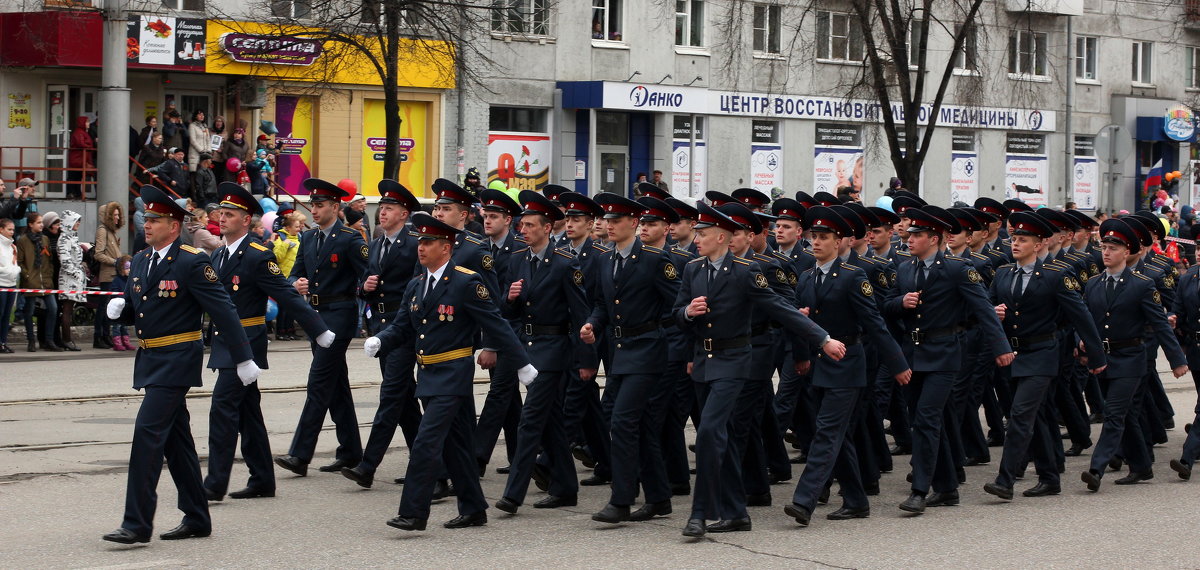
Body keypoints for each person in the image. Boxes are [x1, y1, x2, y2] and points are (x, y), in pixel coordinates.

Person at [100, 186, 260, 545]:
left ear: (174, 226)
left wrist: (243, 357)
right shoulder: (141, 260)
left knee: (146, 435)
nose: (148, 224)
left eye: (155, 220)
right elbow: (140, 306)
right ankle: (197, 516)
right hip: (150, 358)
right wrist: (120, 310)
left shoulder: (191, 261)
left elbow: (224, 311)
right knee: (177, 443)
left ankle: (137, 523)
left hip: (177, 360)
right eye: (148, 219)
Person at [675, 203, 842, 538]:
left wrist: (821, 338)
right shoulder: (693, 269)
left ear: (720, 236)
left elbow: (781, 308)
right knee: (719, 437)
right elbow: (676, 313)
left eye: (703, 234)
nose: (697, 239)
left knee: (709, 432)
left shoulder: (745, 271)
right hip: (704, 363)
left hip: (735, 361)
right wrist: (688, 313)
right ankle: (736, 513)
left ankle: (700, 513)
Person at [364, 213, 536, 532]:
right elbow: (402, 325)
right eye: (420, 241)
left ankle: (413, 512)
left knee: (427, 443)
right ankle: (473, 508)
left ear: (447, 247)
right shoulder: (417, 285)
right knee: (457, 445)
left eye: (429, 242)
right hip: (428, 375)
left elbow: (495, 324)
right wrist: (380, 340)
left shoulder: (465, 281)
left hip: (452, 375)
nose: (421, 247)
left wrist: (522, 363)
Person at [203, 183, 334, 502]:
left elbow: (287, 294)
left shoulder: (257, 255)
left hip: (246, 344)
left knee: (222, 411)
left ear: (246, 220)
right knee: (248, 414)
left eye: (230, 214)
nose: (222, 218)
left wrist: (318, 329)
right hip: (225, 342)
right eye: (221, 213)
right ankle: (262, 478)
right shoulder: (220, 253)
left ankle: (214, 483)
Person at [784, 206, 910, 527]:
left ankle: (804, 500)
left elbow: (875, 324)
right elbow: (800, 321)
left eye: (824, 237)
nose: (816, 242)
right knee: (837, 435)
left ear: (840, 241)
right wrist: (801, 356)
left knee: (826, 433)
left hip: (848, 363)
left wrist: (896, 363)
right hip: (819, 364)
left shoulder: (854, 277)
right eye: (814, 236)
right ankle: (855, 500)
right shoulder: (807, 276)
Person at [882, 205, 1013, 514]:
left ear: (934, 238)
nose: (909, 240)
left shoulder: (957, 269)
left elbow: (983, 309)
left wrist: (1001, 347)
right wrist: (901, 302)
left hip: (944, 354)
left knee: (927, 420)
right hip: (913, 354)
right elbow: (886, 306)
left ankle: (919, 489)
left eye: (917, 235)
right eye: (909, 234)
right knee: (926, 420)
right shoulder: (905, 269)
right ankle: (947, 487)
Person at [981, 212, 1106, 501]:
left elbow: (1081, 317)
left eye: (1022, 240)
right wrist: (993, 312)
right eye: (1014, 238)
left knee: (1020, 416)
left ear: (1038, 245)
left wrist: (1096, 355)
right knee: (1034, 418)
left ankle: (1005, 479)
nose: (1015, 243)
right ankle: (1050, 477)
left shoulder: (1055, 275)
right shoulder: (1003, 273)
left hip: (1042, 353)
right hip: (1013, 354)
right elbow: (985, 307)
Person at [579, 193, 678, 526]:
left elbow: (677, 304)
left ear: (633, 224)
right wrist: (593, 324)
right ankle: (659, 497)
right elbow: (602, 304)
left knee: (622, 422)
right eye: (606, 220)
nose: (608, 226)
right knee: (640, 425)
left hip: (649, 350)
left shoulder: (653, 259)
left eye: (615, 221)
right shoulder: (606, 259)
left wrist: (675, 345)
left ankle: (621, 500)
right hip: (621, 352)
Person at [493, 190, 590, 514]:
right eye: (522, 225)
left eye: (531, 225)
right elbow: (509, 311)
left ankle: (513, 494)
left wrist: (585, 360)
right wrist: (511, 297)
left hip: (554, 350)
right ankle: (565, 487)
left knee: (530, 421)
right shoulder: (518, 259)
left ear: (547, 228)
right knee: (550, 422)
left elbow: (580, 314)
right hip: (527, 348)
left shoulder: (565, 263)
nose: (524, 230)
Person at [1080, 218, 1187, 492]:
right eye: (1103, 246)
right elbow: (1085, 321)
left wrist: (1177, 360)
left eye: (1113, 248)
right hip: (1103, 358)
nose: (1106, 252)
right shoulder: (1093, 283)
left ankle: (1096, 468)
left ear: (1126, 252)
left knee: (1114, 414)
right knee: (1126, 416)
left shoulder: (1142, 284)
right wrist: (1081, 344)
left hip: (1131, 358)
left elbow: (1160, 324)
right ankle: (1141, 466)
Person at [275, 178, 368, 477]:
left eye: (320, 205)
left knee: (318, 382)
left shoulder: (350, 239)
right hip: (315, 316)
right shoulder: (309, 238)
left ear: (335, 207)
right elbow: (295, 274)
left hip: (339, 316)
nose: (314, 210)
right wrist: (296, 283)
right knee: (336, 385)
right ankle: (351, 451)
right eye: (312, 205)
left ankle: (300, 454)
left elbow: (368, 278)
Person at [341, 180, 423, 489]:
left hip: (403, 330)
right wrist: (366, 288)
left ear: (404, 214)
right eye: (381, 208)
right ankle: (427, 464)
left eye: (389, 209)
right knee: (404, 401)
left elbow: (417, 287)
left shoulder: (415, 243)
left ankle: (368, 465)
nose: (382, 213)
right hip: (381, 328)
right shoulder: (374, 243)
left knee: (390, 396)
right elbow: (363, 283)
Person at [475, 188, 526, 474]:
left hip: (513, 332)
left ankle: (476, 457)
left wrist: (492, 344)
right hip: (496, 330)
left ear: (508, 220)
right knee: (509, 397)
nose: (487, 221)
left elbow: (507, 301)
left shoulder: (518, 249)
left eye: (494, 216)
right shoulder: (483, 248)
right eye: (485, 215)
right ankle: (520, 456)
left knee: (498, 394)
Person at [15, 212, 58, 352]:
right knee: (29, 312)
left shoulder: (44, 239)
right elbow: (20, 262)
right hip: (31, 282)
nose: (41, 225)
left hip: (45, 281)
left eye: (41, 222)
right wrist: (27, 276)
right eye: (38, 222)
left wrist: (49, 275)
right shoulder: (23, 240)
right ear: (30, 224)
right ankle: (31, 340)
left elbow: (49, 260)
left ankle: (49, 340)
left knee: (53, 308)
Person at [271, 209, 305, 341]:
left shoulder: (298, 239)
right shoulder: (281, 238)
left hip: (295, 278)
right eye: (296, 226)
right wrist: (285, 245)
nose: (299, 229)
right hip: (284, 278)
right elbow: (277, 257)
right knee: (284, 308)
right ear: (288, 227)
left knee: (293, 307)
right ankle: (281, 331)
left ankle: (291, 330)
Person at [54, 210, 85, 351]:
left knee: (69, 309)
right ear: (69, 223)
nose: (78, 223)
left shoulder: (73, 237)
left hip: (75, 278)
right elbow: (65, 261)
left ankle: (67, 339)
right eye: (75, 221)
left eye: (79, 221)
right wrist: (76, 273)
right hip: (68, 279)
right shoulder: (64, 239)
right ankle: (66, 339)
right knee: (67, 309)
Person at [0, 217, 19, 353]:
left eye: (13, 229)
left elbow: (16, 265)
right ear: (1, 229)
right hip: (1, 284)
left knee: (7, 315)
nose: (12, 232)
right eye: (9, 229)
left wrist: (15, 270)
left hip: (11, 284)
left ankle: (3, 342)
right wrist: (8, 270)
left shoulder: (13, 247)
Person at [67, 116, 94, 199]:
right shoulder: (79, 132)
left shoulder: (82, 132)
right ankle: (72, 193)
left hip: (80, 158)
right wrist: (89, 146)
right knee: (74, 175)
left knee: (78, 176)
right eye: (87, 122)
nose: (88, 124)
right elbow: (80, 144)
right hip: (77, 158)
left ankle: (77, 193)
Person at [109, 255, 133, 351]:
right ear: (121, 269)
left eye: (130, 267)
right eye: (126, 268)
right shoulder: (117, 280)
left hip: (126, 307)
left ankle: (126, 342)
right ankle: (117, 342)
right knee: (117, 326)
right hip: (118, 308)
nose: (129, 270)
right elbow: (113, 293)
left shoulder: (130, 280)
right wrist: (119, 298)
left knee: (125, 326)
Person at [186, 110, 211, 175]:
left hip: (205, 154)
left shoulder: (205, 126)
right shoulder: (192, 126)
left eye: (203, 115)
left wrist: (208, 150)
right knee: (195, 174)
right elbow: (192, 140)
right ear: (195, 116)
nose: (202, 116)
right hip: (195, 153)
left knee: (204, 174)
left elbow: (208, 139)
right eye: (199, 114)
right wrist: (201, 150)